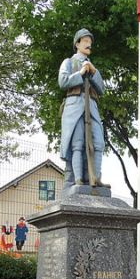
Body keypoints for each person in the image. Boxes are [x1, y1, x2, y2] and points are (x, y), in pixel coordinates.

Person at [58, 28, 110, 188]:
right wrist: (80, 73)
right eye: (85, 41)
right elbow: (63, 82)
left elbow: (101, 89)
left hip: (92, 105)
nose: (89, 45)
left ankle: (95, 178)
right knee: (77, 143)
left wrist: (93, 72)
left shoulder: (92, 66)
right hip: (74, 105)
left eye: (90, 42)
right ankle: (78, 179)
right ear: (77, 43)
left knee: (99, 142)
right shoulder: (69, 62)